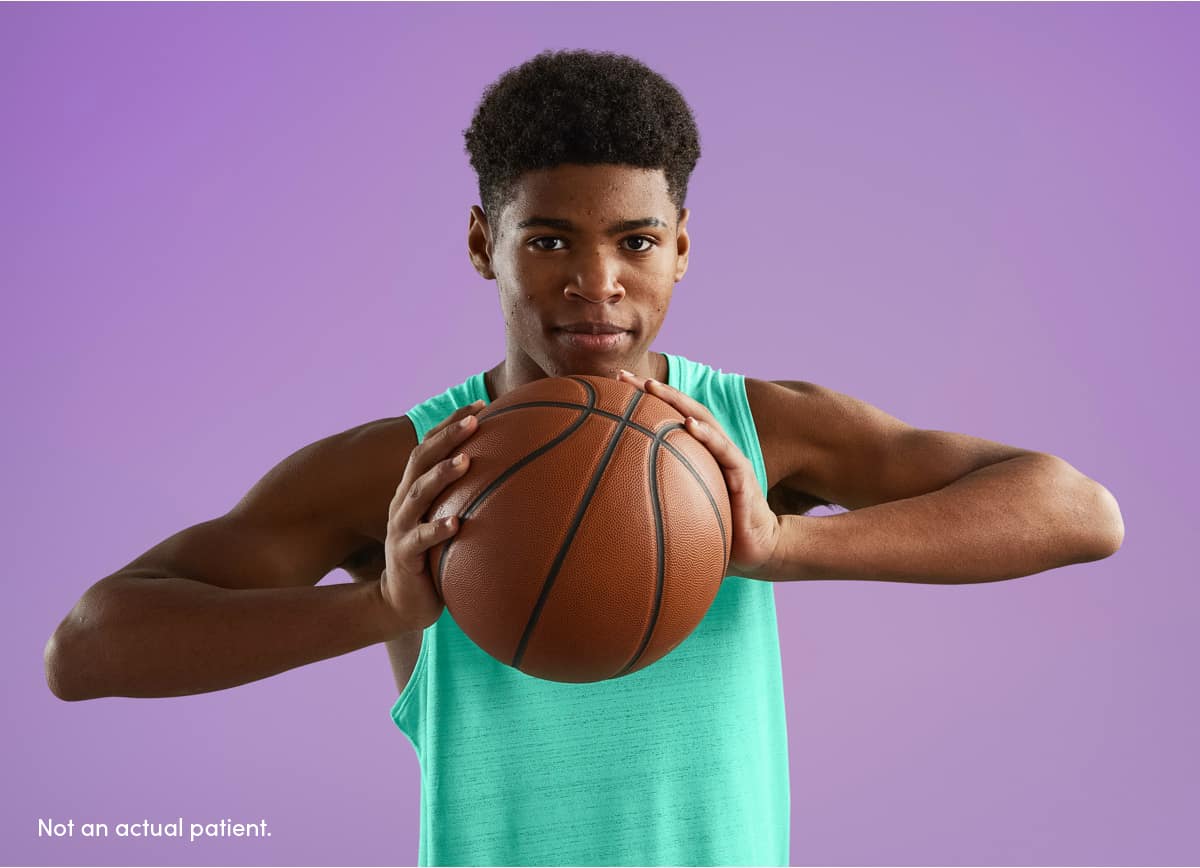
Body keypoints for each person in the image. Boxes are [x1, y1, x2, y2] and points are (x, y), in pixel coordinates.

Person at [43, 50, 1124, 867]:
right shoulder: (409, 469)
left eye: (636, 241)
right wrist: (375, 608)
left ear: (683, 246)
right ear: (483, 245)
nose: (595, 281)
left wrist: (782, 543)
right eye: (549, 238)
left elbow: (1079, 510)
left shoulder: (752, 431)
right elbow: (85, 651)